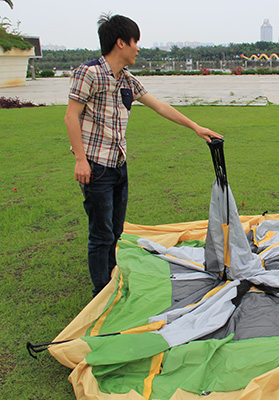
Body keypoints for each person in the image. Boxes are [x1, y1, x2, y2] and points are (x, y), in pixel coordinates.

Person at [65, 13, 222, 297]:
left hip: (118, 165)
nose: (138, 48)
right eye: (135, 41)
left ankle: (112, 279)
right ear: (121, 42)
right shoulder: (89, 73)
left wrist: (196, 127)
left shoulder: (127, 79)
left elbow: (160, 106)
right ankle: (101, 292)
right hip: (96, 166)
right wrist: (80, 160)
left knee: (115, 231)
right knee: (101, 234)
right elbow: (70, 116)